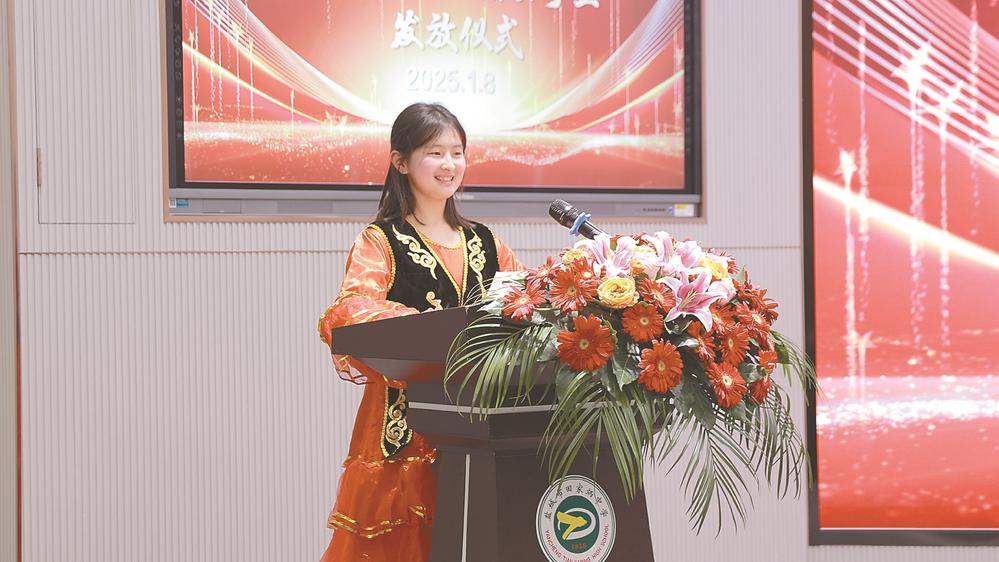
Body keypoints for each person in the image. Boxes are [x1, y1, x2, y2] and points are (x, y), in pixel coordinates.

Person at [316, 102, 522, 561]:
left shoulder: (486, 241)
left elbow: (524, 303)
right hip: (405, 424)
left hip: (483, 422)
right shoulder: (380, 241)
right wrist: (426, 326)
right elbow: (351, 310)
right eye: (435, 152)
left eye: (457, 152)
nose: (449, 165)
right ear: (401, 161)